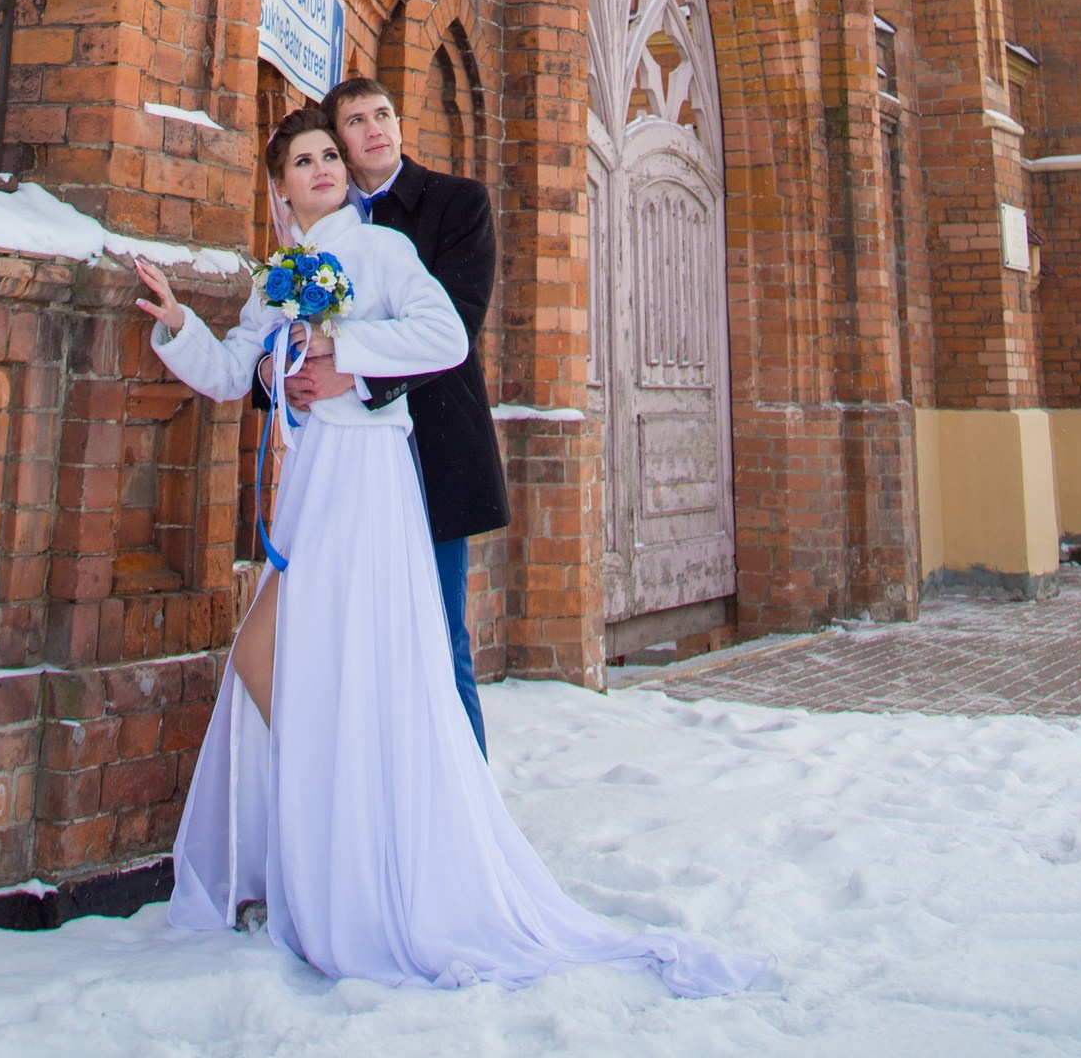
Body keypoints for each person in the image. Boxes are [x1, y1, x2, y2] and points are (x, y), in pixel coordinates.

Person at [133, 102, 771, 997]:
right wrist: (176, 328)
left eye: (329, 156)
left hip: (368, 479)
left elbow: (443, 336)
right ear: (277, 187)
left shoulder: (386, 251)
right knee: (269, 660)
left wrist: (343, 353)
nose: (321, 169)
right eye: (303, 161)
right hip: (314, 484)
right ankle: (341, 820)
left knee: (317, 656)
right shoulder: (280, 275)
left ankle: (371, 835)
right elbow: (238, 371)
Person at [307, 72, 506, 755]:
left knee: (440, 634)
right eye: (357, 120)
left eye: (384, 114)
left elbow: (456, 329)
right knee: (358, 639)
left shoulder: (457, 203)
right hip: (348, 458)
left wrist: (351, 376)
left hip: (436, 450)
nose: (376, 129)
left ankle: (470, 817)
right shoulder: (326, 227)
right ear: (338, 142)